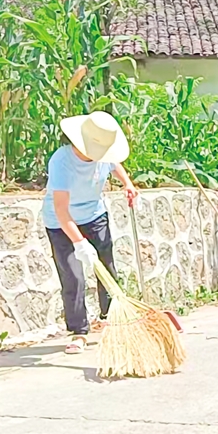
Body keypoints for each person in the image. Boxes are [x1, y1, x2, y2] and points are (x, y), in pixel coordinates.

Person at [43, 111, 137, 354]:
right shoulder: (61, 161)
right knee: (73, 276)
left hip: (94, 216)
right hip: (61, 223)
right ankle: (79, 331)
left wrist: (127, 184)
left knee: (107, 268)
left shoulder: (104, 153)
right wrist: (79, 242)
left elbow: (114, 165)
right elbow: (61, 210)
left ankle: (112, 319)